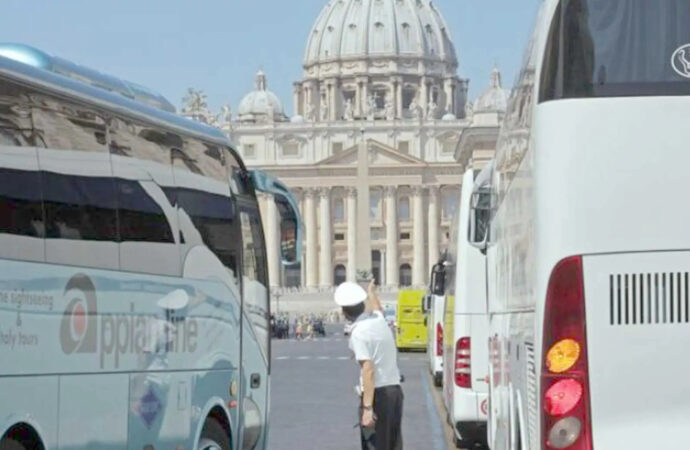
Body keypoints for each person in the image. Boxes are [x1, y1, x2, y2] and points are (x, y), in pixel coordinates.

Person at [334, 281, 403, 450]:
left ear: (344, 312)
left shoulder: (359, 332)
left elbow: (368, 370)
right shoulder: (379, 320)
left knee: (375, 445)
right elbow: (378, 308)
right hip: (395, 392)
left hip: (378, 396)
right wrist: (371, 291)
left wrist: (367, 408)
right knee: (393, 445)